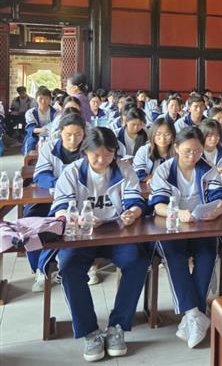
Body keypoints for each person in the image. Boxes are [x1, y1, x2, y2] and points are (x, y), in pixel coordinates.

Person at [49, 127, 149, 362]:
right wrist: (78, 219)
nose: (102, 160)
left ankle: (117, 326)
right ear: (85, 151)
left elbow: (136, 201)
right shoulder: (72, 172)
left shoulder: (123, 169)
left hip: (116, 232)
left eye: (108, 154)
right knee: (69, 266)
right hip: (82, 235)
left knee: (137, 261)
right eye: (96, 155)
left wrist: (132, 213)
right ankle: (90, 332)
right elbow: (60, 209)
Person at [149, 127, 222, 349]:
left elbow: (221, 199)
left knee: (208, 253)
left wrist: (217, 211)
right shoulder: (165, 171)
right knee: (174, 255)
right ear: (176, 149)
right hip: (173, 226)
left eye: (198, 151)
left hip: (201, 226)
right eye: (187, 151)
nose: (193, 156)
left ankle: (193, 317)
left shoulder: (207, 169)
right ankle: (195, 314)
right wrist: (177, 213)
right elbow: (158, 205)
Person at [26, 113, 86, 291]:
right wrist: (60, 184)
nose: (73, 139)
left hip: (79, 200)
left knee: (64, 224)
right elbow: (40, 175)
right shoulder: (50, 148)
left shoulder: (88, 148)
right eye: (68, 135)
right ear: (60, 133)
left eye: (78, 134)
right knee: (32, 219)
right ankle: (39, 268)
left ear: (84, 133)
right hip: (50, 197)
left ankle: (62, 264)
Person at [133, 117, 175, 182]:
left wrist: (154, 179)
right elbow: (139, 175)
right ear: (152, 135)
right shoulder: (144, 151)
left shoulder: (178, 152)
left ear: (173, 135)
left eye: (167, 134)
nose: (162, 138)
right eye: (158, 134)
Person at [22, 87, 56, 154]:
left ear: (50, 99)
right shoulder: (30, 113)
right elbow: (30, 127)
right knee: (30, 143)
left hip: (51, 134)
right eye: (41, 98)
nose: (43, 101)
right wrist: (41, 130)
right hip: (35, 134)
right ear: (36, 99)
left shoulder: (56, 112)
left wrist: (46, 132)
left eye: (46, 98)